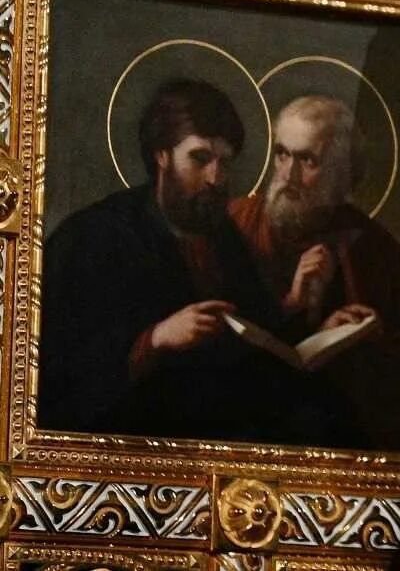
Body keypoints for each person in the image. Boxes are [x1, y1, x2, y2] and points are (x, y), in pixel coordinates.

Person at [39, 78, 358, 444]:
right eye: (200, 159)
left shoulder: (221, 236)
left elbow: (249, 341)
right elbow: (58, 373)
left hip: (219, 428)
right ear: (162, 155)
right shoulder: (92, 237)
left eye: (224, 163)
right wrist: (154, 340)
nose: (215, 178)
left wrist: (300, 312)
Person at [228, 92, 400, 450]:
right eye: (283, 154)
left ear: (339, 173)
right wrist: (291, 303)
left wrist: (367, 336)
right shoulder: (235, 224)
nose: (288, 173)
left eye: (307, 160)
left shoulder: (375, 250)